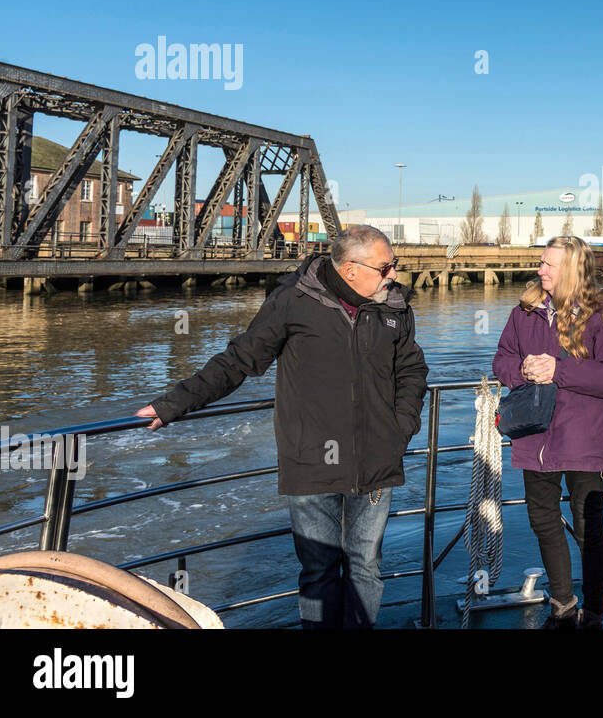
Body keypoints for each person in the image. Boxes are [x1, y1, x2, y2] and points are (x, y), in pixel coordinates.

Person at [135, 224, 428, 628]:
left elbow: (411, 369)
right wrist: (175, 403)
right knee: (319, 572)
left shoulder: (393, 307)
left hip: (378, 460)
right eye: (385, 266)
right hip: (311, 462)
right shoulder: (293, 301)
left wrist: (402, 426)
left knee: (366, 568)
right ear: (350, 270)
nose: (393, 274)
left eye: (393, 265)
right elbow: (240, 360)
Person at [492, 236, 603, 629]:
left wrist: (560, 370)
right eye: (541, 262)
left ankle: (595, 611)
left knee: (589, 524)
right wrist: (519, 371)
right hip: (534, 437)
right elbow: (501, 357)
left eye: (548, 265)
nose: (540, 270)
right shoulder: (525, 310)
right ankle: (563, 606)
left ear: (571, 269)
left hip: (582, 437)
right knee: (542, 519)